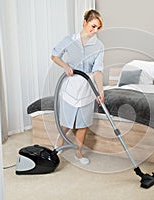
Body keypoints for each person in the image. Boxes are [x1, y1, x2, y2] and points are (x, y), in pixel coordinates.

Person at [51, 9, 104, 165]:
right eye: (93, 26)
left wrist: (100, 92)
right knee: (67, 122)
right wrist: (66, 66)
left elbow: (98, 71)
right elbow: (54, 55)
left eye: (98, 28)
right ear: (84, 22)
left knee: (83, 124)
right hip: (70, 87)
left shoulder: (99, 46)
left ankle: (79, 153)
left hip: (87, 88)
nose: (95, 31)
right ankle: (59, 144)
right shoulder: (70, 40)